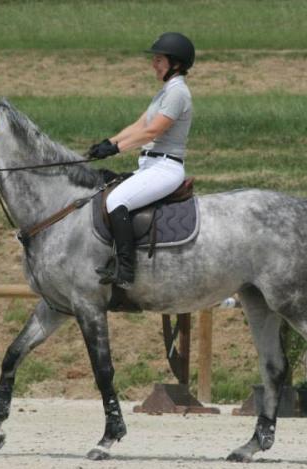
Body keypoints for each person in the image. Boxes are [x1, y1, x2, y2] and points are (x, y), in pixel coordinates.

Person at [88, 32, 195, 289]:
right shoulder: (165, 92)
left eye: (159, 60)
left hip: (166, 168)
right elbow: (139, 125)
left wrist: (116, 149)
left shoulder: (177, 93)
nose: (153, 64)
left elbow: (152, 132)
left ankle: (125, 272)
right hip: (150, 166)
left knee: (116, 201)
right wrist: (108, 142)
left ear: (175, 64)